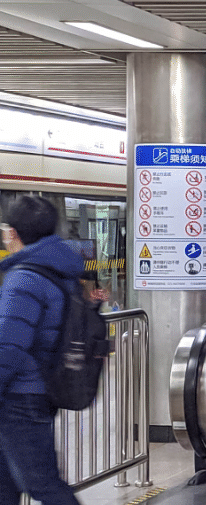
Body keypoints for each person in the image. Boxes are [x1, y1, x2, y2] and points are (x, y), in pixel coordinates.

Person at [0, 195, 84, 505]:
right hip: (39, 389)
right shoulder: (59, 270)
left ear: (13, 233)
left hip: (19, 395)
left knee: (41, 483)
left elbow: (8, 346)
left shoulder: (24, 278)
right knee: (5, 485)